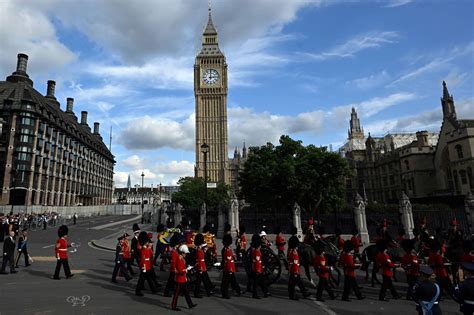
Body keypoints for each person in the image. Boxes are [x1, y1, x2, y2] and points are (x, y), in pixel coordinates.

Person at [171, 244, 197, 311]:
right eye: (185, 253)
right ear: (182, 253)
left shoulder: (182, 258)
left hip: (182, 278)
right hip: (179, 279)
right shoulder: (180, 259)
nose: (186, 254)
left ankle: (190, 304)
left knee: (186, 292)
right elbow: (180, 270)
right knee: (176, 294)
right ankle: (173, 306)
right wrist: (186, 270)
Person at [135, 232, 157, 296]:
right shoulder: (143, 250)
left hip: (147, 265)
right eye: (147, 241)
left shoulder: (146, 248)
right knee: (142, 278)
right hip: (144, 266)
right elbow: (142, 259)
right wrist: (143, 266)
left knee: (148, 277)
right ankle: (138, 290)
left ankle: (153, 289)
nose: (148, 242)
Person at [221, 234, 242, 299]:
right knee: (226, 282)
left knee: (233, 280)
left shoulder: (225, 249)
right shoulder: (227, 250)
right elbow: (228, 260)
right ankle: (225, 294)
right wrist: (230, 269)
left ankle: (238, 290)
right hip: (228, 268)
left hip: (228, 267)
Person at [193, 233, 214, 298]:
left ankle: (208, 291)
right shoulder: (199, 250)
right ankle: (197, 293)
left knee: (204, 280)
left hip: (202, 267)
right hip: (201, 267)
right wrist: (201, 268)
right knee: (198, 282)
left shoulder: (199, 249)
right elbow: (199, 260)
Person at [250, 233, 269, 299]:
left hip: (256, 268)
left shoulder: (255, 250)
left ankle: (265, 292)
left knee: (261, 281)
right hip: (257, 269)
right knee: (257, 282)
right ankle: (256, 294)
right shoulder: (257, 251)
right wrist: (259, 270)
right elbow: (258, 262)